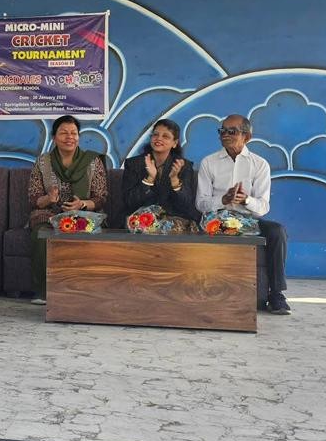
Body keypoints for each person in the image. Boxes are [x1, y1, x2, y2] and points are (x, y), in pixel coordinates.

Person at [195, 114, 290, 315]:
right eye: (222, 131)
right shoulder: (209, 162)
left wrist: (245, 200)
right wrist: (223, 200)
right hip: (216, 221)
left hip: (248, 221)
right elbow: (201, 204)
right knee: (214, 229)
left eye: (232, 131)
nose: (225, 135)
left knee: (277, 231)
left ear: (247, 137)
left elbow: (263, 207)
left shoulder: (259, 164)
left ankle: (276, 295)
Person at [26, 115, 108, 305]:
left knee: (90, 232)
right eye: (64, 133)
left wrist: (82, 204)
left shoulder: (93, 161)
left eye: (74, 133)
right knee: (40, 233)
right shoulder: (43, 162)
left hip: (83, 215)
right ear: (54, 137)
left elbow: (101, 197)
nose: (69, 137)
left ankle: (84, 292)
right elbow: (33, 198)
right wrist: (48, 198)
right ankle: (43, 292)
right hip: (50, 215)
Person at [120, 118, 201, 230]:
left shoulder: (183, 166)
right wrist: (149, 179)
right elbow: (129, 202)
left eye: (165, 136)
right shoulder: (134, 164)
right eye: (155, 135)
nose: (159, 138)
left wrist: (174, 180)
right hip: (141, 221)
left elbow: (186, 205)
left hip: (173, 223)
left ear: (175, 143)